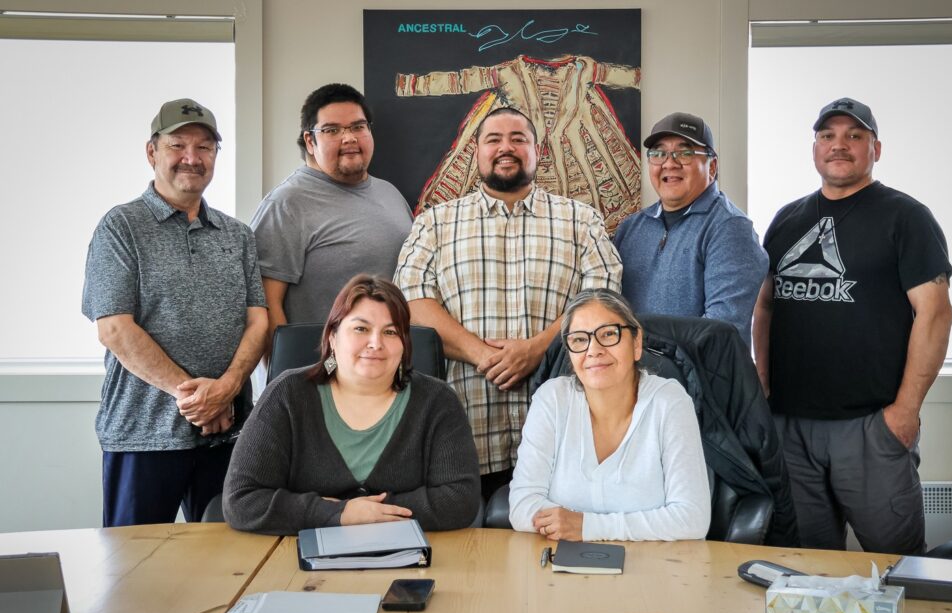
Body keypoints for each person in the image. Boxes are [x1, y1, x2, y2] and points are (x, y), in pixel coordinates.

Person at [752, 97, 952, 554]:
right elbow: (764, 306)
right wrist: (763, 380)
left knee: (898, 568)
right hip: (791, 429)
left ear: (875, 149)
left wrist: (905, 412)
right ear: (815, 147)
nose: (838, 145)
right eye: (828, 136)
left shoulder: (906, 218)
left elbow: (936, 313)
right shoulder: (787, 219)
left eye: (853, 136)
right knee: (805, 567)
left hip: (869, 427)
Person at [395, 107, 622, 498]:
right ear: (476, 152)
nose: (506, 147)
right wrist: (483, 354)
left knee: (558, 548)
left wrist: (539, 349)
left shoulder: (582, 221)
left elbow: (604, 298)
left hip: (568, 435)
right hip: (465, 432)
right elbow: (410, 304)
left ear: (538, 151)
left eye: (518, 138)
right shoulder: (434, 223)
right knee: (470, 553)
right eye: (493, 139)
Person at [82, 98, 268, 527]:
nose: (192, 158)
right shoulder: (121, 227)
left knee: (226, 568)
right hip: (143, 435)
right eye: (178, 145)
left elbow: (259, 320)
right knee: (135, 572)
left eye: (204, 147)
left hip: (227, 436)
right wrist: (199, 399)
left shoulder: (237, 235)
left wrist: (228, 388)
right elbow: (114, 328)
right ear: (152, 152)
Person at [223, 275, 481, 535]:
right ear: (333, 337)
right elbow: (242, 500)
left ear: (404, 344)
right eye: (361, 329)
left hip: (410, 557)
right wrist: (338, 514)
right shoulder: (288, 394)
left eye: (390, 332)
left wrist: (367, 513)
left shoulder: (437, 401)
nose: (375, 343)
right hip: (299, 562)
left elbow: (460, 499)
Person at [508, 289, 711, 541]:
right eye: (580, 340)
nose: (594, 350)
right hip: (560, 569)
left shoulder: (669, 401)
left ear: (636, 343)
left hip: (654, 569)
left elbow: (692, 519)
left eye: (608, 334)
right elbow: (522, 507)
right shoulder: (552, 399)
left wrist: (586, 526)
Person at [253, 83, 412, 356]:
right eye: (332, 130)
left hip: (387, 369)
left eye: (358, 127)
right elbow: (266, 304)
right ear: (310, 141)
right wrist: (285, 383)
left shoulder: (390, 193)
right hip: (321, 377)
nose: (349, 138)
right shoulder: (286, 204)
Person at [613, 112, 767, 345]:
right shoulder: (631, 229)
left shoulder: (730, 228)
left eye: (684, 152)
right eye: (658, 153)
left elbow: (719, 332)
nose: (669, 163)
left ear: (712, 166)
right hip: (635, 377)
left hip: (699, 380)